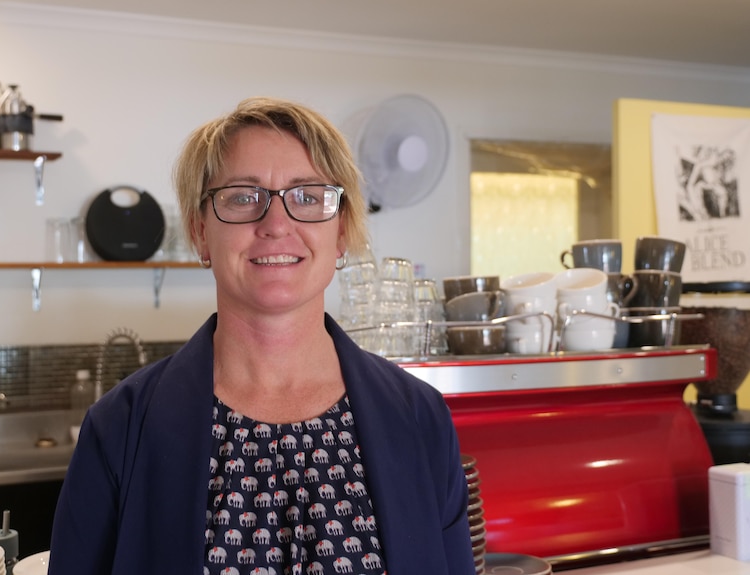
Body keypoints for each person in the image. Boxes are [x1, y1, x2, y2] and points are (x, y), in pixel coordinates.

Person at [48, 96, 476, 575]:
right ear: (200, 232)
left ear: (340, 233)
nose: (276, 225)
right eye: (242, 197)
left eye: (308, 197)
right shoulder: (119, 428)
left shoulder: (420, 419)